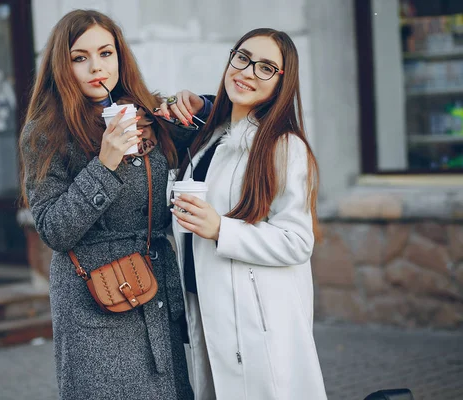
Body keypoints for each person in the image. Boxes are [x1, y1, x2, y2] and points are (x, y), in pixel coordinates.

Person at [18, 10, 194, 400]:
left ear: (120, 56)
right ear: (62, 66)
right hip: (95, 301)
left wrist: (190, 111)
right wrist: (106, 163)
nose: (97, 67)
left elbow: (216, 129)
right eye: (80, 58)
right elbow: (54, 231)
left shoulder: (146, 112)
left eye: (106, 53)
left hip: (156, 295)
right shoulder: (46, 130)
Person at [159, 28, 328, 399]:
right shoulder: (212, 138)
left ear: (282, 83)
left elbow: (298, 242)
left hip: (254, 319)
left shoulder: (283, 147)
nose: (248, 72)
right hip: (206, 304)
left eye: (266, 68)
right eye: (243, 58)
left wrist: (221, 228)